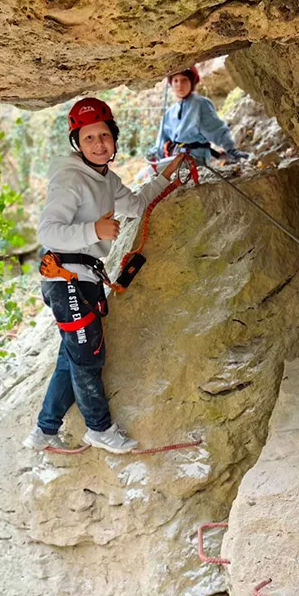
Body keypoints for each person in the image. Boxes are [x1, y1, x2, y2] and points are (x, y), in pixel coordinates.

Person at [24, 97, 188, 454]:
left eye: (104, 136)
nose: (99, 145)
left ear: (114, 138)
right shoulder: (70, 180)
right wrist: (94, 230)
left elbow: (136, 204)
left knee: (72, 358)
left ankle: (44, 430)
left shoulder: (106, 178)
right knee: (87, 358)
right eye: (89, 139)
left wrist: (166, 174)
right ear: (77, 144)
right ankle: (99, 429)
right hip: (66, 277)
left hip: (82, 278)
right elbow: (49, 232)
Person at [153, 66, 248, 168]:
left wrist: (230, 149)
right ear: (171, 84)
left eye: (184, 80)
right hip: (174, 158)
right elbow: (162, 138)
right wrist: (155, 156)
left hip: (195, 158)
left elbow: (216, 129)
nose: (179, 84)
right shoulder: (170, 112)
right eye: (175, 81)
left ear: (192, 82)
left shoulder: (200, 104)